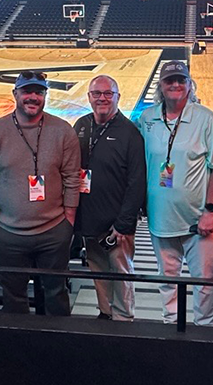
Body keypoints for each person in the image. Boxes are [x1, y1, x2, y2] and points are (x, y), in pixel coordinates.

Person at [0, 71, 81, 315]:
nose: (32, 97)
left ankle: (59, 344)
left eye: (38, 92)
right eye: (26, 91)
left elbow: (72, 178)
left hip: (54, 232)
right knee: (14, 297)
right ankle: (19, 347)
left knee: (56, 293)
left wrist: (68, 222)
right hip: (8, 234)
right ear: (15, 94)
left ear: (45, 96)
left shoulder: (63, 131)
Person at [137, 61, 213, 326]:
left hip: (199, 221)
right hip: (160, 219)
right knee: (167, 280)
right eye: (169, 80)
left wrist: (210, 211)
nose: (175, 85)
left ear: (190, 84)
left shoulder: (205, 118)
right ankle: (171, 328)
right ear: (161, 86)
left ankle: (205, 330)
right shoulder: (147, 118)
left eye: (181, 80)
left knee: (205, 282)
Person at [73, 75, 146, 321]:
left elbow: (137, 181)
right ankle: (105, 312)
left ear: (118, 98)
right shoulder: (81, 125)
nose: (102, 98)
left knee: (121, 273)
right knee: (98, 270)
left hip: (116, 224)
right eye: (97, 93)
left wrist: (124, 223)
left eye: (108, 93)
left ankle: (124, 319)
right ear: (89, 97)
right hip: (89, 218)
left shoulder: (130, 132)